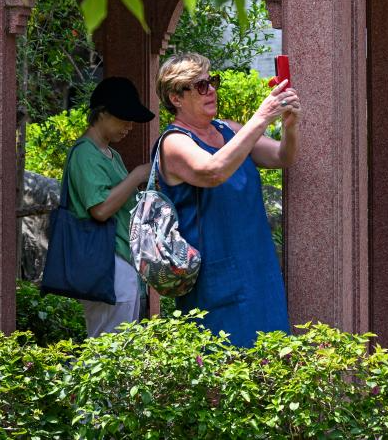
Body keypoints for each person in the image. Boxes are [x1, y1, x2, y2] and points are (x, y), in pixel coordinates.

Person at [155, 52, 301, 348]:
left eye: (212, 81)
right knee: (223, 367)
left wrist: (289, 125)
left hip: (259, 269)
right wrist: (262, 117)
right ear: (175, 98)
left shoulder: (228, 130)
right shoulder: (173, 142)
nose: (211, 90)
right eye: (200, 86)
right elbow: (213, 171)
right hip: (214, 280)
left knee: (272, 360)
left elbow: (282, 156)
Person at [66, 76, 154, 337]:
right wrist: (137, 176)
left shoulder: (111, 154)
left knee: (121, 347)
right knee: (108, 348)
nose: (129, 126)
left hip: (120, 261)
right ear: (102, 113)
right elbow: (101, 209)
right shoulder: (84, 152)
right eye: (124, 118)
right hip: (105, 262)